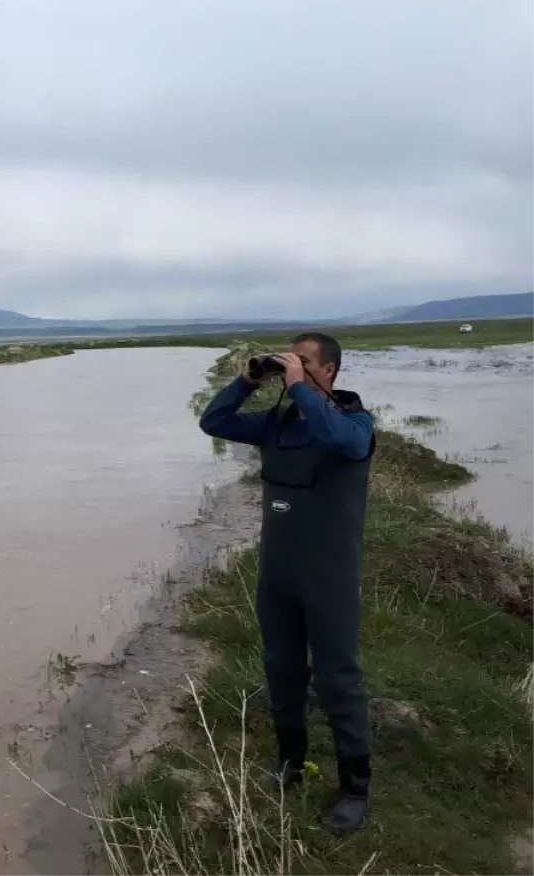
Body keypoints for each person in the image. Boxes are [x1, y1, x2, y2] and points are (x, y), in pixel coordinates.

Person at [198, 332, 375, 836]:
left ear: (331, 372)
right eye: (288, 360)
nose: (290, 367)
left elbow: (344, 441)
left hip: (329, 574)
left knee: (338, 678)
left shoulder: (355, 423)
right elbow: (213, 422)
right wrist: (248, 379)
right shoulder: (277, 426)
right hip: (277, 572)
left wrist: (301, 387)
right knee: (281, 668)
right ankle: (291, 761)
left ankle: (355, 787)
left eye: (303, 361)